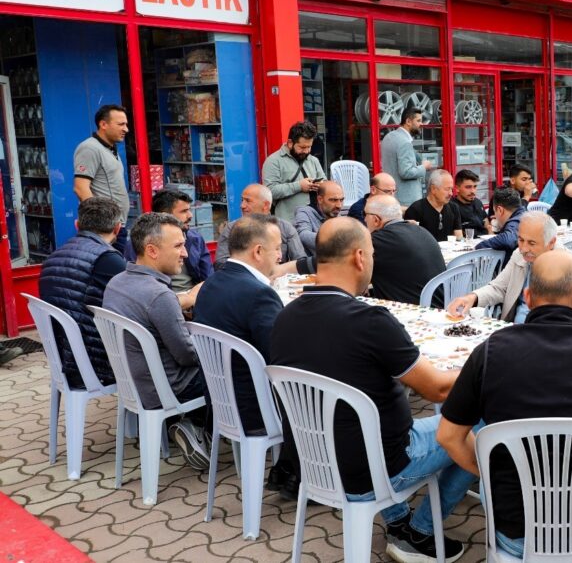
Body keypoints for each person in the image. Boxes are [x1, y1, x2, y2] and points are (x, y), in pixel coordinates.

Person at [268, 217, 471, 562]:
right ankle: (420, 534)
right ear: (360, 258)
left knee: (368, 424)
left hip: (316, 462)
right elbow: (437, 390)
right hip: (380, 465)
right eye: (373, 254)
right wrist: (478, 364)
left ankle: (399, 521)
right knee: (477, 420)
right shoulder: (370, 321)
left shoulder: (284, 317)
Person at [437, 250, 572, 557]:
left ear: (527, 297)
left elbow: (447, 436)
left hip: (515, 531)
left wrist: (490, 472)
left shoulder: (489, 353)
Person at [103, 213, 209, 470]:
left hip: (133, 382)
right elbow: (187, 356)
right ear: (151, 250)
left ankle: (194, 426)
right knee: (233, 371)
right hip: (167, 389)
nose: (184, 253)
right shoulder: (159, 295)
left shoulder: (116, 282)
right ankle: (200, 428)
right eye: (178, 246)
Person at [192, 214, 283, 438]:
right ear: (258, 251)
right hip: (256, 411)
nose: (280, 256)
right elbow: (280, 358)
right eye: (278, 248)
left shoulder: (210, 283)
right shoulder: (259, 294)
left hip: (220, 403)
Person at [38, 197, 127, 383]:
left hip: (62, 356)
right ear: (118, 228)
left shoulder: (53, 257)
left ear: (77, 225)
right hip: (96, 363)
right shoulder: (106, 259)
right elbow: (137, 302)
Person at [447, 212, 560, 324]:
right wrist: (472, 297)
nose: (524, 249)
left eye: (531, 243)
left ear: (551, 242)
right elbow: (499, 287)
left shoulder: (566, 266)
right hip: (514, 329)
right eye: (521, 240)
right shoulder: (519, 255)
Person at [124, 189, 212, 297]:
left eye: (190, 210)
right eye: (184, 211)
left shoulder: (195, 238)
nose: (190, 216)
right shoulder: (138, 242)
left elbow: (208, 275)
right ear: (165, 215)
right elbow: (137, 284)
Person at [365, 195, 446, 306]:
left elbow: (356, 276)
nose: (364, 219)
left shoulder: (378, 241)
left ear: (376, 219)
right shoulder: (421, 230)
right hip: (440, 305)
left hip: (413, 312)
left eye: (365, 214)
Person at [74, 104, 131, 253]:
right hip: (105, 230)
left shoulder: (110, 149)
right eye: (121, 124)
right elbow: (80, 188)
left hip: (116, 227)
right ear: (103, 124)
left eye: (126, 124)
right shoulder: (90, 148)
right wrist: (100, 224)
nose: (126, 129)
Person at [215, 184, 306, 268]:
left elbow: (301, 261)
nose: (242, 205)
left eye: (248, 201)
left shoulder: (285, 228)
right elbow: (220, 264)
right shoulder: (232, 229)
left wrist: (279, 271)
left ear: (266, 205)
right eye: (242, 200)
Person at [261, 121, 325, 222]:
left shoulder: (313, 160)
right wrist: (299, 186)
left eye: (309, 147)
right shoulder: (273, 161)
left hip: (315, 220)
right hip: (288, 222)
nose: (307, 151)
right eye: (302, 147)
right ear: (290, 143)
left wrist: (321, 185)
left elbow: (325, 183)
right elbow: (269, 191)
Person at [381, 107, 434, 207]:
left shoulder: (389, 137)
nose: (421, 124)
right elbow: (406, 172)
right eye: (418, 121)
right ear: (408, 121)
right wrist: (424, 167)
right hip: (407, 201)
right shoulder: (405, 143)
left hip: (391, 197)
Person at [404, 169, 462, 242]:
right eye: (447, 189)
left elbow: (459, 237)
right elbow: (410, 241)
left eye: (451, 189)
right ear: (433, 189)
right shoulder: (416, 209)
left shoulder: (453, 207)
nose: (451, 193)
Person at [294, 180, 345, 255]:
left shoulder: (339, 217)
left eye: (341, 200)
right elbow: (302, 234)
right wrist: (333, 242)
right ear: (320, 199)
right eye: (333, 200)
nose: (339, 205)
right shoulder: (305, 212)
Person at [475, 187, 527, 259]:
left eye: (495, 212)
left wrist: (477, 248)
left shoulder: (515, 221)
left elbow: (508, 240)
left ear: (500, 210)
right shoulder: (524, 214)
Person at [453, 169, 490, 236]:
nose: (473, 191)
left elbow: (487, 226)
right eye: (468, 187)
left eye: (475, 186)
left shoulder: (478, 202)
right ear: (457, 188)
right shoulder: (452, 207)